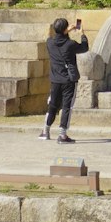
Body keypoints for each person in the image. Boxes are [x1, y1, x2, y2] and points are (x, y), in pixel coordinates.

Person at [38, 15, 88, 144]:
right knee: (67, 106)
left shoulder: (50, 43)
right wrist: (82, 33)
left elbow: (50, 36)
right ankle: (62, 135)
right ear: (66, 29)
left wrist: (64, 31)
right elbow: (84, 47)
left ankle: (45, 131)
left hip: (55, 80)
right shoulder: (70, 44)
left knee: (53, 104)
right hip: (68, 80)